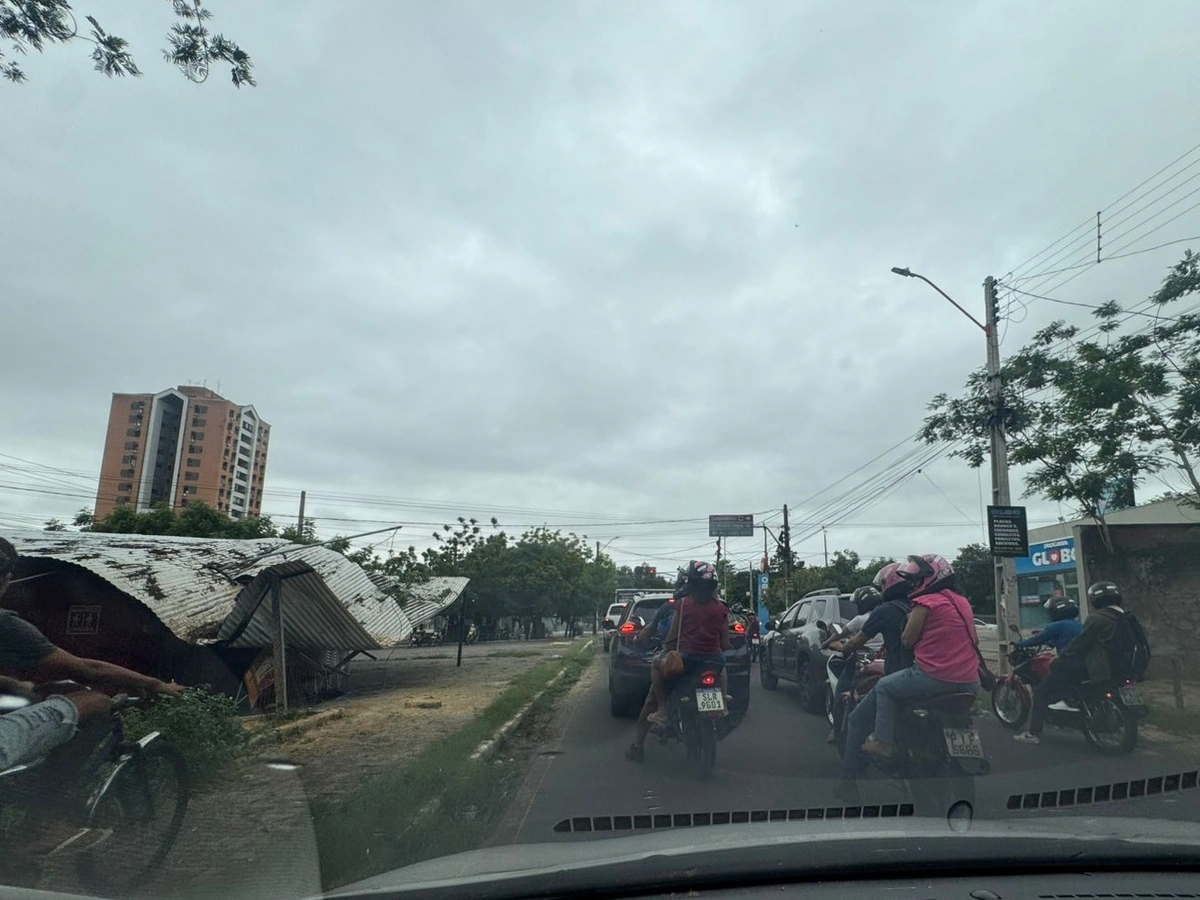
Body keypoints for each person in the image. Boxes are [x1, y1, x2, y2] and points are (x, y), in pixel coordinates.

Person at [0, 536, 185, 772]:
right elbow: (88, 670)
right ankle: (52, 795)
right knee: (95, 700)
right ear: (6, 579)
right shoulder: (6, 625)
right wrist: (154, 683)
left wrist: (16, 685)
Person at [859, 554, 980, 763]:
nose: (913, 583)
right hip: (970, 682)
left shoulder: (924, 602)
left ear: (930, 578)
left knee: (884, 688)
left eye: (916, 579)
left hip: (933, 677)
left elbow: (907, 640)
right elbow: (974, 639)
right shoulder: (963, 602)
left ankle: (883, 742)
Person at [1013, 580, 1141, 745]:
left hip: (1090, 664)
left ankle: (1033, 733)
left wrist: (1062, 655)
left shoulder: (1095, 618)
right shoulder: (1123, 616)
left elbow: (1080, 643)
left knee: (1043, 691)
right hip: (1116, 665)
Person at [627, 560, 730, 762]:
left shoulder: (679, 606)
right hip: (713, 661)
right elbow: (724, 643)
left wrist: (665, 651)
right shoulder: (721, 608)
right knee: (721, 663)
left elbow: (672, 639)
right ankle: (723, 703)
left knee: (652, 694)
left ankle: (658, 717)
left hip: (685, 661)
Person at [1015, 595, 1082, 655]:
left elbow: (1037, 639)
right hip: (1081, 660)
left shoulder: (1057, 625)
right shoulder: (1079, 624)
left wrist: (1020, 644)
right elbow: (1065, 639)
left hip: (1068, 661)